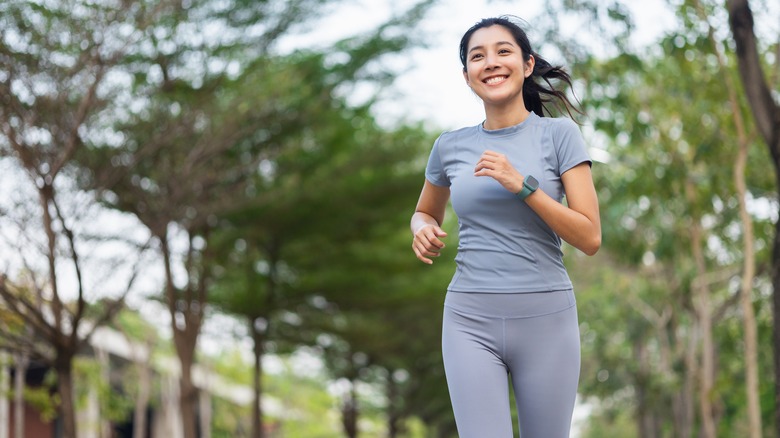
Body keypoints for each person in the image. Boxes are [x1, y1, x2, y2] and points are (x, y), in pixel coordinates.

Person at [410, 15, 601, 438]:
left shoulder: (559, 135)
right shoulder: (449, 146)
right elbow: (425, 211)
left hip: (546, 318)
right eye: (478, 56)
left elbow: (589, 237)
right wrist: (419, 227)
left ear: (527, 64)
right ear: (467, 76)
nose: (491, 62)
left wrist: (524, 186)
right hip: (468, 317)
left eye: (503, 51)